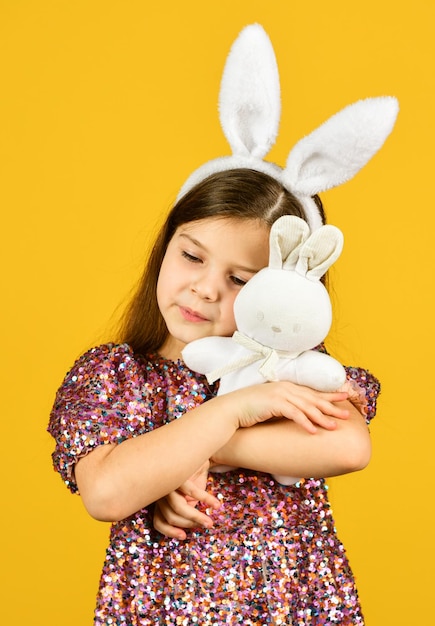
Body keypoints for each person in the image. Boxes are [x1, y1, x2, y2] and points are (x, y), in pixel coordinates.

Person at [48, 24, 397, 625]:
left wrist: (181, 456)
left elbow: (349, 444)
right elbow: (107, 491)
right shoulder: (116, 375)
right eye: (191, 255)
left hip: (290, 607)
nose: (206, 287)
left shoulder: (293, 376)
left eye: (240, 280)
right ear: (166, 246)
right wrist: (229, 413)